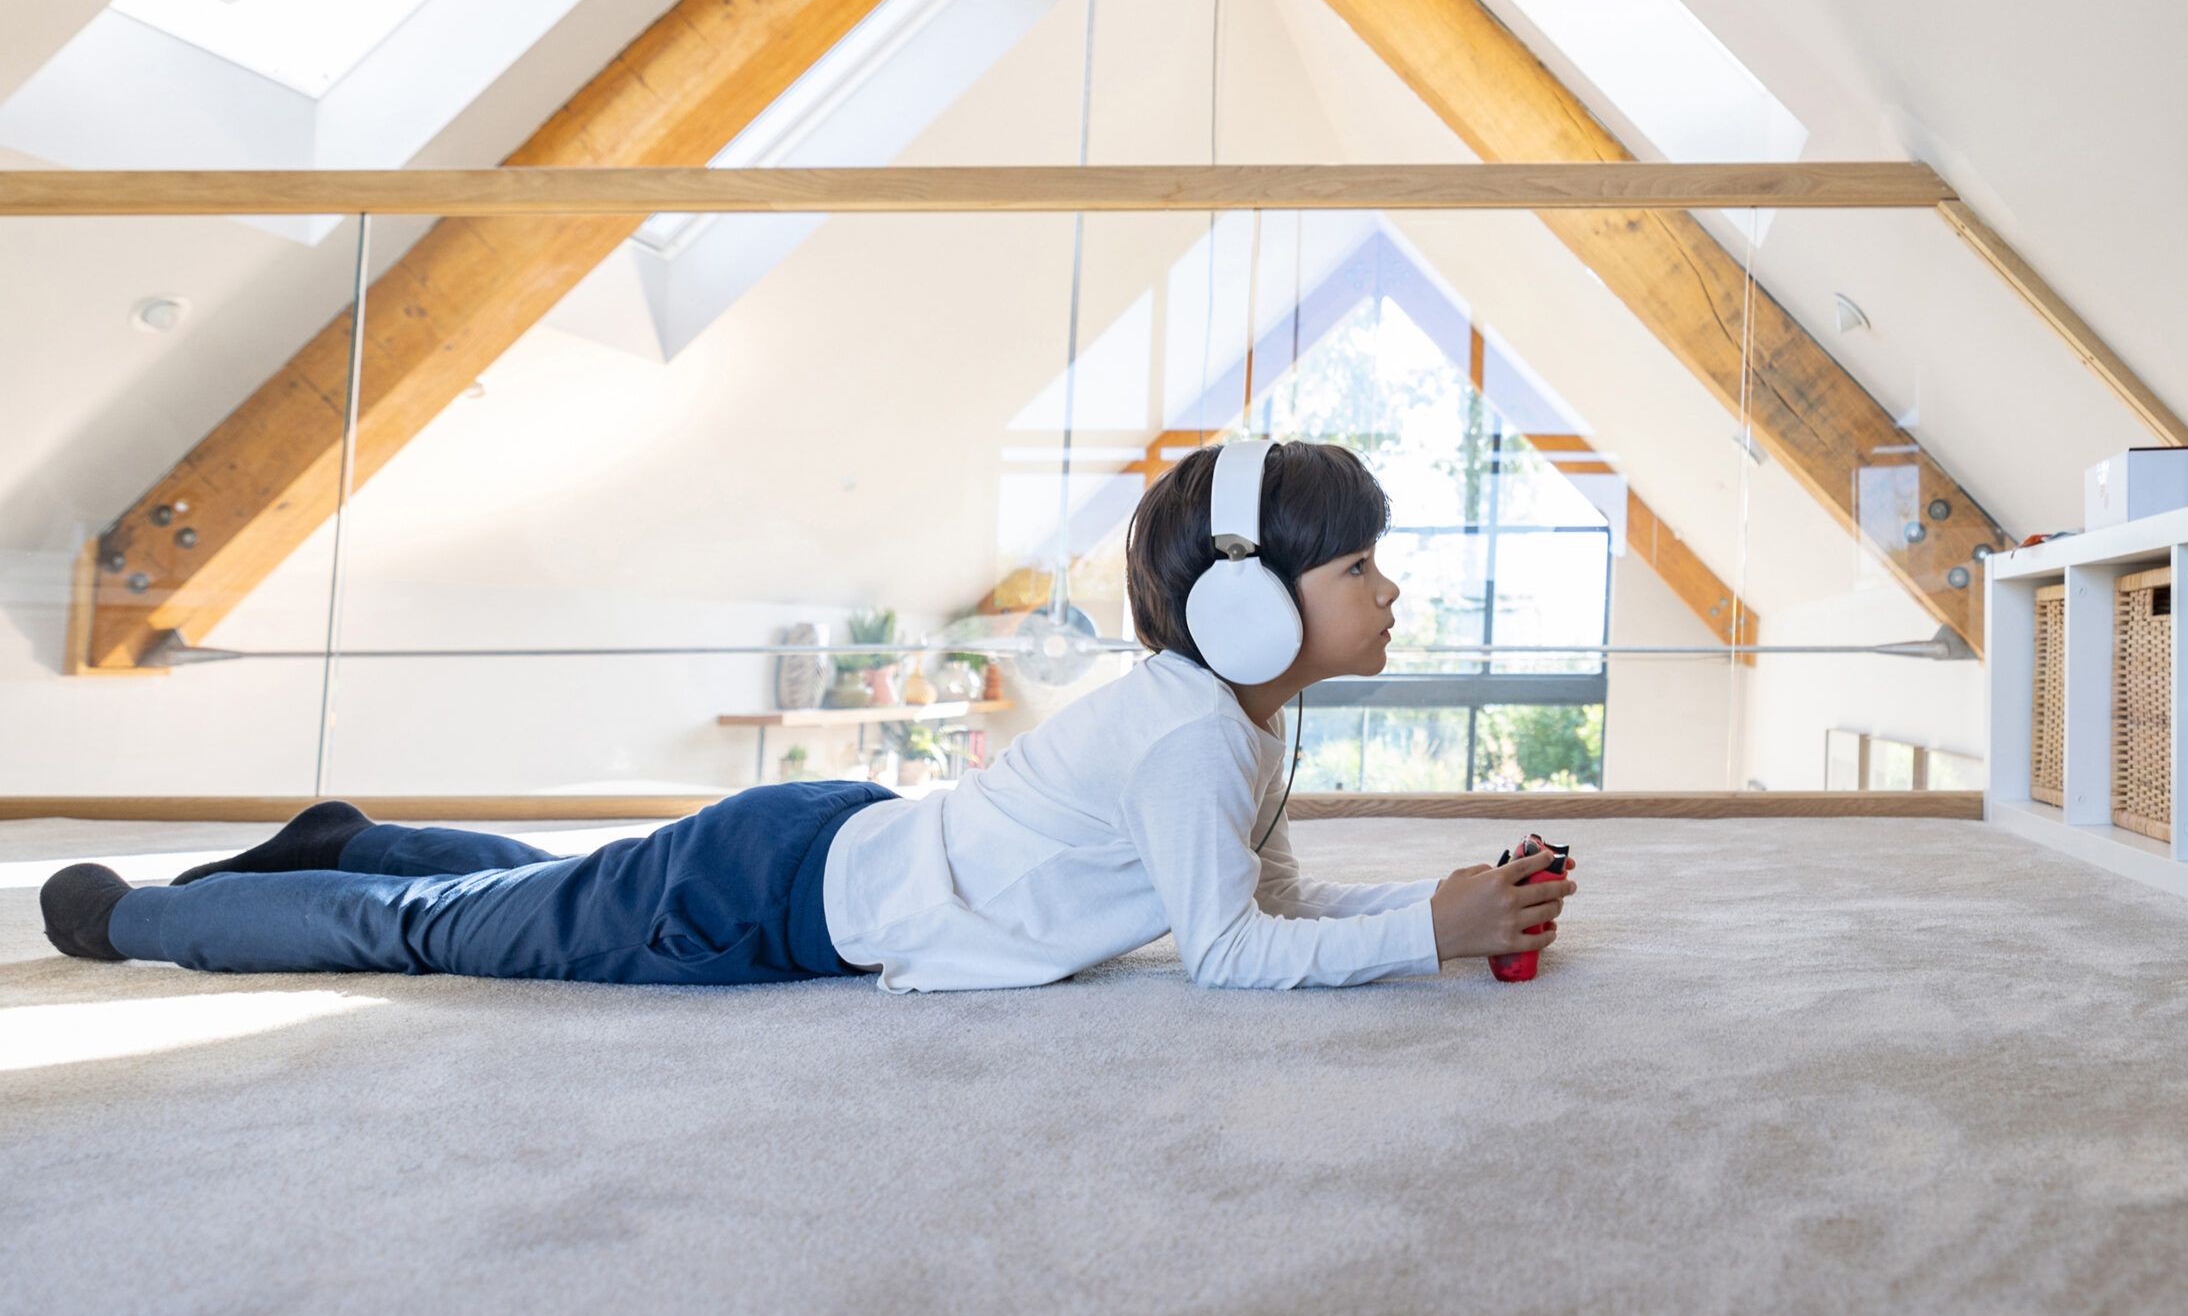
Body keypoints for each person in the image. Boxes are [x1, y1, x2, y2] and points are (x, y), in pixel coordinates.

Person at [40, 440, 1576, 992]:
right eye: (1364, 566)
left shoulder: (1231, 720)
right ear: (1251, 603)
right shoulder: (1191, 734)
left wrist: (1443, 910)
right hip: (760, 907)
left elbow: (1265, 901)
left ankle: (346, 838)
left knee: (541, 897)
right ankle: (140, 924)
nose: (1391, 593)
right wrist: (1422, 936)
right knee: (445, 930)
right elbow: (1232, 961)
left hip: (815, 851)